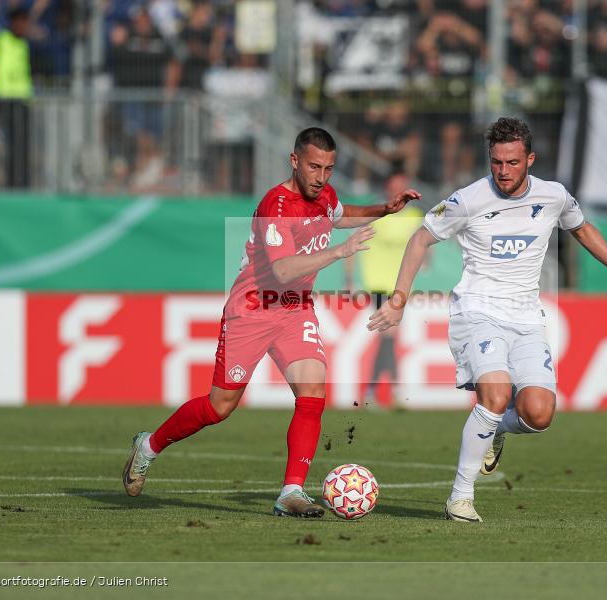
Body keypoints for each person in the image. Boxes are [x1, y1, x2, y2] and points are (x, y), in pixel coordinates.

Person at [123, 127, 421, 517]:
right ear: (294, 161)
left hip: (294, 310)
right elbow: (282, 271)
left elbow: (338, 214)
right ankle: (149, 446)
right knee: (219, 406)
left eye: (329, 169)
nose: (322, 177)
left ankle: (291, 492)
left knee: (313, 391)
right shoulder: (275, 207)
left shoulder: (324, 195)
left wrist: (383, 209)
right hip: (252, 310)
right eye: (314, 167)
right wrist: (339, 253)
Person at [368, 117, 607, 522]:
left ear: (529, 159)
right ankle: (460, 498)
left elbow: (582, 229)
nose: (503, 171)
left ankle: (496, 430)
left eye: (512, 162)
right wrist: (398, 300)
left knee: (538, 414)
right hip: (477, 311)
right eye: (496, 162)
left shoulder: (554, 196)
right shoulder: (468, 200)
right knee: (495, 396)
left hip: (526, 318)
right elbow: (420, 238)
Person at [345, 168, 424, 406]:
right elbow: (354, 244)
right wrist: (349, 279)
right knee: (389, 333)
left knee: (388, 336)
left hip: (401, 286)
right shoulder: (378, 212)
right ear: (388, 186)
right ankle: (394, 389)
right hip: (378, 283)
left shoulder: (415, 216)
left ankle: (373, 391)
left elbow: (423, 243)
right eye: (395, 185)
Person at [0, 7, 33, 188]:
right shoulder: (1, 40)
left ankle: (21, 183)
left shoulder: (25, 43)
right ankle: (10, 184)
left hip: (22, 100)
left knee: (23, 146)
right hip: (5, 100)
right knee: (9, 146)